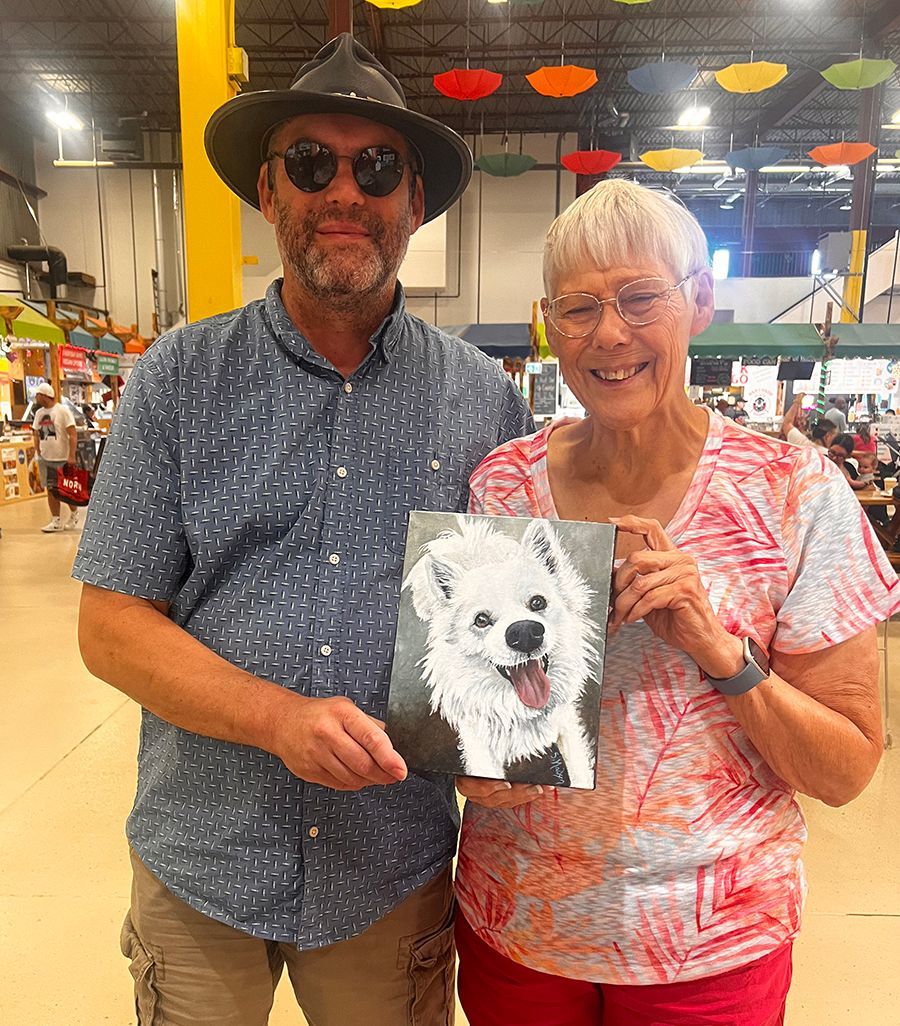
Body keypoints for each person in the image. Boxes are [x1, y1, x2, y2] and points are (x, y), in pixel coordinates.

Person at [73, 35, 532, 1026]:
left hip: (388, 871)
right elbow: (110, 622)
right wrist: (277, 719)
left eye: (377, 168)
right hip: (204, 860)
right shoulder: (179, 381)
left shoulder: (482, 405)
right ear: (269, 192)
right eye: (312, 163)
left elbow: (511, 627)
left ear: (415, 202)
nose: (345, 192)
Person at [452, 179, 897, 1026]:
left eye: (640, 297)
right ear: (549, 324)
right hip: (520, 927)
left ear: (699, 300)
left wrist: (720, 650)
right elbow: (479, 726)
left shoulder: (793, 492)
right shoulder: (502, 485)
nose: (609, 333)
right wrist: (482, 769)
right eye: (578, 307)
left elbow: (845, 770)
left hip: (710, 944)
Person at [31, 382, 79, 533]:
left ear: (44, 395)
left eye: (38, 394)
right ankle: (56, 520)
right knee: (51, 489)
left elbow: (72, 434)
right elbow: (36, 432)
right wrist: (37, 450)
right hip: (45, 458)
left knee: (66, 490)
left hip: (62, 458)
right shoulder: (39, 413)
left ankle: (74, 514)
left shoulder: (62, 411)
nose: (36, 397)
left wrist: (71, 455)